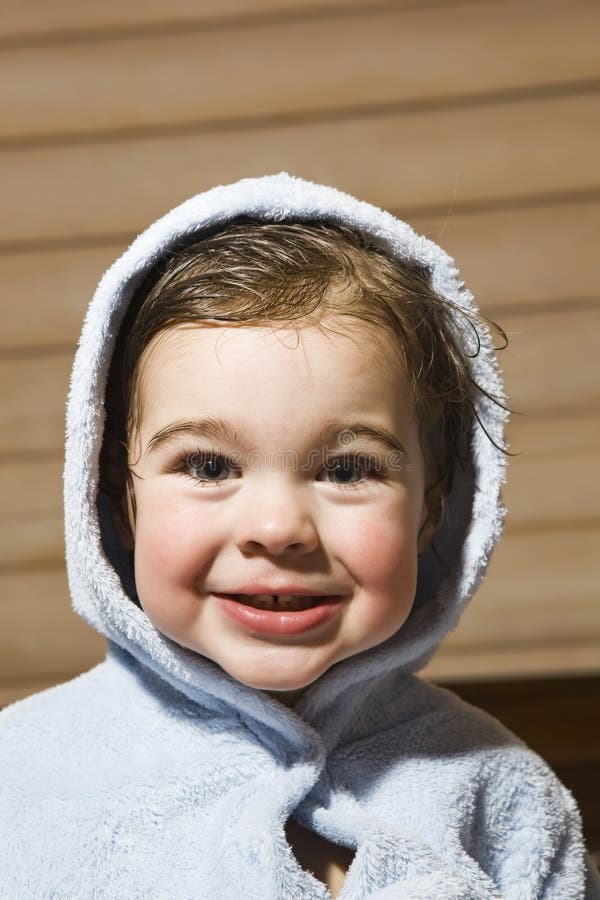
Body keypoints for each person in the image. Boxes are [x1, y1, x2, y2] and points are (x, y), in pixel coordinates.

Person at [0, 172, 598, 899]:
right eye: (208, 464)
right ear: (121, 502)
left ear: (430, 512)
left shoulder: (501, 797)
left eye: (348, 469)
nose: (278, 529)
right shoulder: (23, 785)